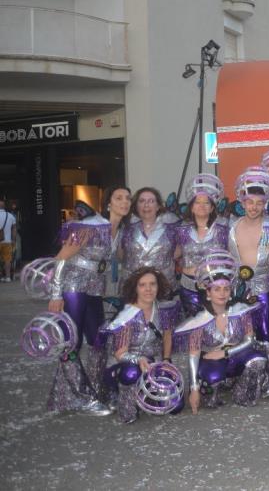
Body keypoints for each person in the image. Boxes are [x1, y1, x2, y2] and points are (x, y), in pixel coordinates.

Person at [47, 186, 132, 415]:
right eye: (119, 198)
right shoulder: (90, 226)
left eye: (127, 199)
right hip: (73, 287)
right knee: (71, 342)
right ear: (108, 203)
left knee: (98, 340)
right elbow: (61, 259)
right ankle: (81, 397)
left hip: (94, 289)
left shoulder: (119, 231)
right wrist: (55, 294)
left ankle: (96, 390)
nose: (124, 202)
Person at [174, 250, 268, 412]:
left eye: (226, 289)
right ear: (208, 293)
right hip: (212, 362)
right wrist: (194, 388)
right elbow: (194, 355)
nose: (222, 293)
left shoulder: (241, 311)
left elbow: (249, 341)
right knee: (212, 385)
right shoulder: (199, 321)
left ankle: (242, 393)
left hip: (235, 357)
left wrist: (225, 353)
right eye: (217, 289)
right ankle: (215, 386)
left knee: (258, 360)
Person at [227, 166, 269, 394]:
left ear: (265, 203)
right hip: (239, 288)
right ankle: (244, 375)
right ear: (242, 203)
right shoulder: (232, 228)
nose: (253, 207)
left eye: (258, 203)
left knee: (264, 331)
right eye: (249, 202)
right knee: (242, 332)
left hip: (265, 286)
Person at [101, 267, 178, 423]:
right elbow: (119, 354)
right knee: (131, 373)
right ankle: (125, 405)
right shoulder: (127, 315)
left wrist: (167, 360)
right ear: (135, 288)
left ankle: (146, 396)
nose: (148, 289)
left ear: (159, 286)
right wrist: (139, 359)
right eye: (142, 285)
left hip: (151, 363)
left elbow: (167, 336)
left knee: (175, 406)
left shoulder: (164, 309)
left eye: (152, 284)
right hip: (125, 364)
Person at [120, 187, 180, 327]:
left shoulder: (172, 229)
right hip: (134, 290)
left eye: (151, 201)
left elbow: (179, 251)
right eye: (141, 201)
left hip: (162, 289)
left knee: (163, 329)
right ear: (136, 205)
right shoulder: (127, 229)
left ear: (158, 205)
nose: (146, 205)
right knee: (133, 328)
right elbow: (121, 255)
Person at [174, 174, 230, 317]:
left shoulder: (223, 228)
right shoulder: (182, 229)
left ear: (212, 208)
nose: (202, 206)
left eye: (206, 203)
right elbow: (173, 254)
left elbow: (232, 254)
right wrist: (181, 268)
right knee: (192, 327)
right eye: (197, 202)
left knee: (213, 325)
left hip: (216, 288)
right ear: (191, 207)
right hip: (188, 286)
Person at [0, 198, 17, 282]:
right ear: (4, 206)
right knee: (7, 259)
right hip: (7, 241)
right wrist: (13, 240)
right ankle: (7, 277)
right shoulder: (10, 216)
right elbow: (14, 229)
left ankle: (1, 276)